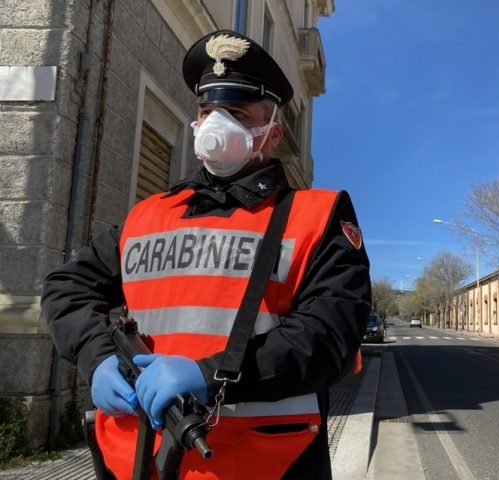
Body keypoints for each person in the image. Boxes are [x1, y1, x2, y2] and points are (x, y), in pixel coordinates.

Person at [42, 29, 371, 479]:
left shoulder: (317, 215)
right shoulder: (148, 214)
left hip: (265, 464)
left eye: (235, 111)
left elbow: (328, 337)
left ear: (272, 133)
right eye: (206, 110)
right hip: (139, 461)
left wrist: (210, 374)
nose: (215, 124)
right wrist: (98, 358)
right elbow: (66, 286)